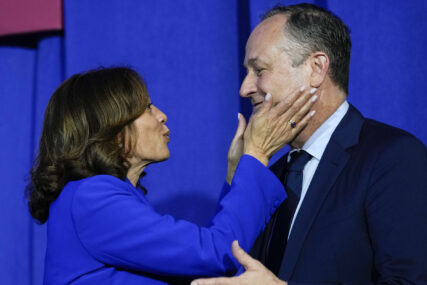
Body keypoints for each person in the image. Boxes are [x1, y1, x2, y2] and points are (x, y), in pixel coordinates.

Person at [193, 3, 427, 285]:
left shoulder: (392, 157)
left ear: (316, 68)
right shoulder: (271, 178)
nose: (245, 88)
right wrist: (238, 177)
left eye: (259, 69)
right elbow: (227, 265)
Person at [26, 67, 318, 284]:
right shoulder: (92, 197)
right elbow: (217, 253)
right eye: (145, 108)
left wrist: (236, 175)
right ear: (110, 127)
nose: (161, 115)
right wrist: (257, 155)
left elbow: (199, 259)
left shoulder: (98, 199)